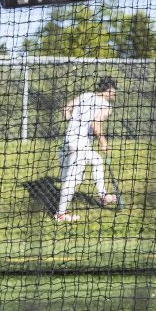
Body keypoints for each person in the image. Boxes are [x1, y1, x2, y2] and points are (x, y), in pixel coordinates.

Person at [55, 77, 119, 222]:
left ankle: (103, 195)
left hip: (69, 140)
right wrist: (103, 142)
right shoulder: (105, 105)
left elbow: (66, 109)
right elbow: (96, 124)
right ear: (109, 90)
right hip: (79, 144)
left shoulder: (85, 95)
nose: (114, 94)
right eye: (114, 91)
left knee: (97, 160)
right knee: (73, 180)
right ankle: (60, 214)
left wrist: (74, 123)